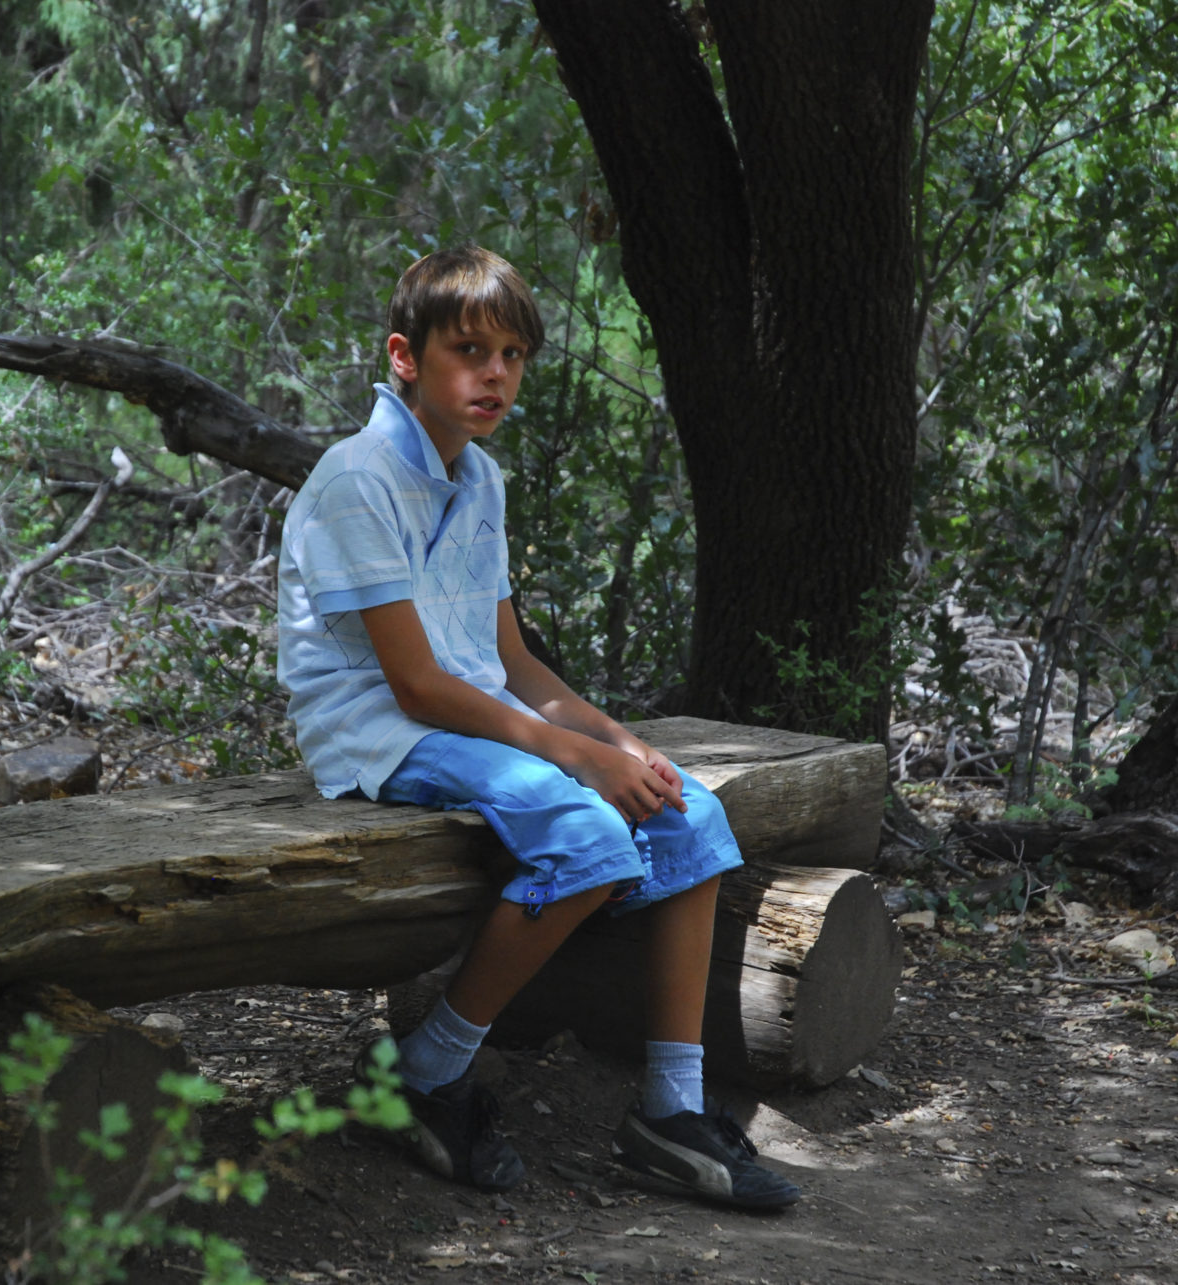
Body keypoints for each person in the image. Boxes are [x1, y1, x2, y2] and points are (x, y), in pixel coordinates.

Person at [275, 246, 799, 1210]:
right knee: (588, 836)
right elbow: (417, 686)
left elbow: (511, 664)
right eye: (470, 350)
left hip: (472, 717)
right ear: (405, 356)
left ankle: (671, 1112)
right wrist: (578, 759)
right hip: (380, 730)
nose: (496, 375)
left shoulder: (480, 481)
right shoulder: (357, 479)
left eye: (513, 355)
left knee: (690, 814)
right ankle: (424, 1073)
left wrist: (622, 745)